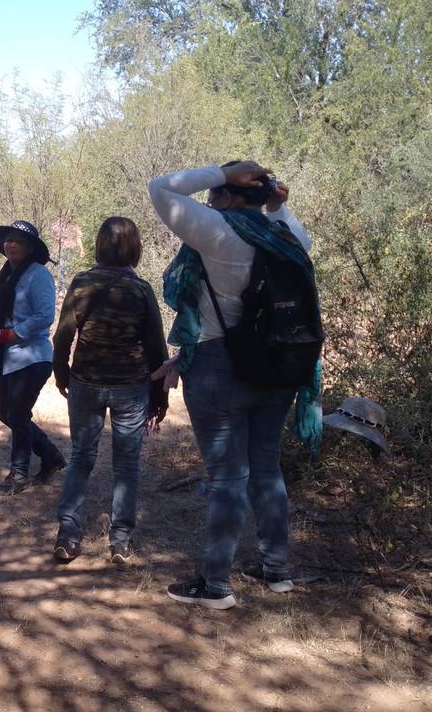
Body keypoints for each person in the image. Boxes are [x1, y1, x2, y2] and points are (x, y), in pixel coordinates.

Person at [149, 160, 317, 609]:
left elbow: (161, 188)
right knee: (266, 468)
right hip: (279, 366)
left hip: (220, 365)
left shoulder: (220, 231)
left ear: (226, 195)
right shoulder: (287, 236)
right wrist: (278, 206)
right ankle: (276, 569)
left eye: (216, 194)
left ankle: (216, 585)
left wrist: (222, 172)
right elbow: (296, 231)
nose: (209, 200)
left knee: (227, 478)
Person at [51, 217, 168, 564]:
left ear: (100, 244)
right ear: (135, 247)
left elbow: (62, 337)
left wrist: (62, 375)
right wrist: (159, 397)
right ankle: (120, 542)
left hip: (85, 381)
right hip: (131, 387)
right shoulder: (141, 289)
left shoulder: (82, 283)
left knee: (80, 458)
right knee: (127, 466)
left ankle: (68, 536)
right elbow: (156, 349)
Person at [0, 220, 65, 495]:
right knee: (5, 413)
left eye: (18, 241)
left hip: (32, 356)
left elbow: (44, 316)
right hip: (8, 358)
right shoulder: (6, 276)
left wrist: (8, 335)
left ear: (31, 247)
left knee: (18, 414)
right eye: (8, 240)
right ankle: (51, 456)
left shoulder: (38, 275)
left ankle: (19, 472)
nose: (11, 244)